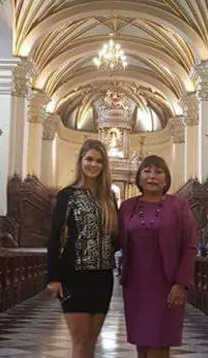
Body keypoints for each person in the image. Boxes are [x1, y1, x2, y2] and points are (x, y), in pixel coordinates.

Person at [118, 155, 198, 358]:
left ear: (166, 178)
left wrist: (181, 283)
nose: (152, 176)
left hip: (167, 284)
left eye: (158, 172)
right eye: (146, 171)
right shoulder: (127, 207)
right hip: (136, 284)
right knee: (142, 343)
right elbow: (114, 240)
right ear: (139, 176)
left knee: (160, 344)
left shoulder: (178, 206)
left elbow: (190, 247)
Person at [46, 139, 119, 358]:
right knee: (79, 339)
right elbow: (54, 238)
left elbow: (115, 238)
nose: (93, 164)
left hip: (103, 277)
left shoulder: (109, 198)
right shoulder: (66, 195)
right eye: (89, 159)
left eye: (99, 161)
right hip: (74, 276)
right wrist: (54, 277)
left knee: (91, 340)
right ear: (80, 161)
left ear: (104, 165)